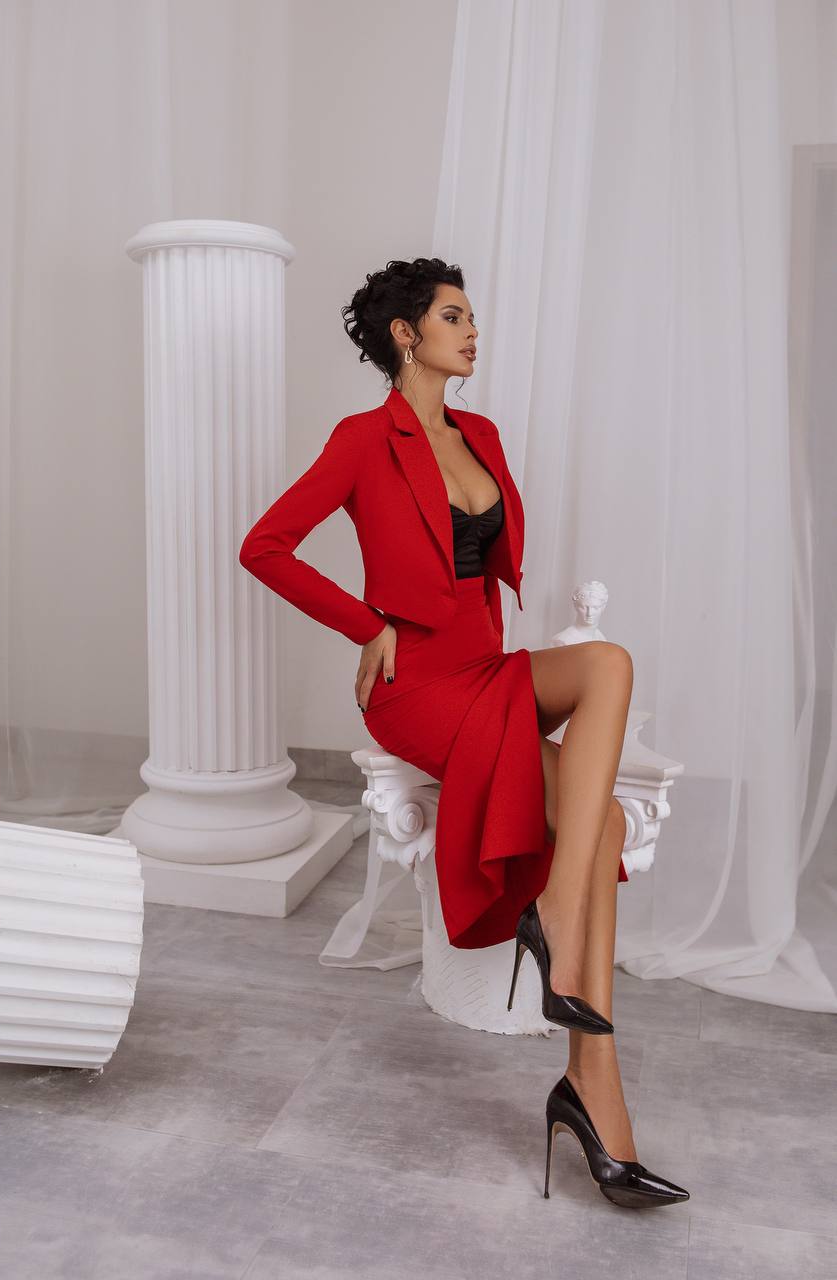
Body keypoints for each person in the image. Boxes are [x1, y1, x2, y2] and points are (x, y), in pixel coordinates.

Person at [239, 256, 689, 1208]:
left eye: (471, 316)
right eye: (454, 316)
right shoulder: (363, 440)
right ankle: (597, 1094)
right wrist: (368, 625)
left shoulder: (478, 432)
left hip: (485, 672)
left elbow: (484, 573)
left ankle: (572, 1004)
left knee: (605, 669)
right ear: (406, 334)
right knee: (598, 823)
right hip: (417, 689)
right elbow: (264, 546)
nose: (472, 331)